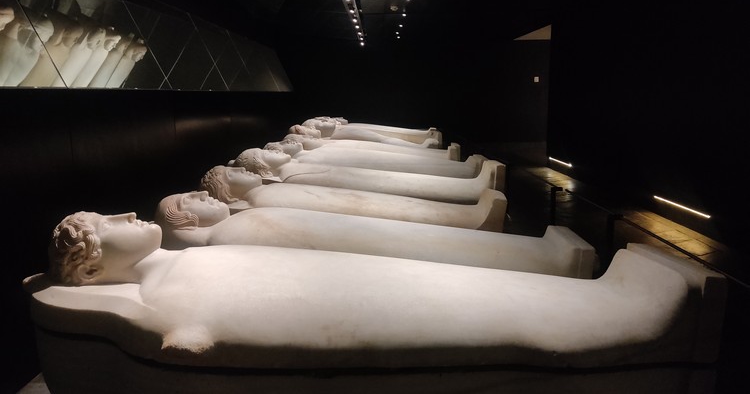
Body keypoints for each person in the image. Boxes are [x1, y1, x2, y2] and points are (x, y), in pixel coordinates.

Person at [32, 210, 722, 372]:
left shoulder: (183, 270)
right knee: (463, 310)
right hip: (336, 310)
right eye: (107, 223)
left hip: (346, 293)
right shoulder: (166, 300)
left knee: (456, 288)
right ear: (90, 269)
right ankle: (627, 322)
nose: (126, 214)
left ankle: (613, 311)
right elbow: (203, 338)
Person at [153, 190, 594, 278]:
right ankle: (543, 261)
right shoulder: (227, 236)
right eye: (193, 200)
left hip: (350, 236)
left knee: (408, 235)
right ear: (183, 221)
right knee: (421, 249)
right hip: (352, 251)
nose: (205, 196)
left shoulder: (238, 222)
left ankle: (538, 257)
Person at [198, 165, 506, 231]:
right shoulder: (261, 200)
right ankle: (470, 212)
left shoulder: (265, 193)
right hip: (348, 211)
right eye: (233, 173)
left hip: (347, 200)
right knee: (396, 208)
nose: (242, 170)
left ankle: (468, 197)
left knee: (392, 191)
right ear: (229, 192)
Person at [229, 147, 504, 202]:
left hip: (353, 178)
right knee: (401, 180)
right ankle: (468, 185)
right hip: (353, 186)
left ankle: (464, 175)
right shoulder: (286, 180)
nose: (274, 149)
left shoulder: (294, 168)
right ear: (264, 169)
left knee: (400, 170)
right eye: (265, 153)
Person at [263, 139, 484, 178]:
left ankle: (451, 164)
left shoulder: (313, 154)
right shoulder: (305, 163)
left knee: (391, 155)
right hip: (357, 170)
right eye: (272, 151)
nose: (282, 147)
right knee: (395, 165)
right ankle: (461, 172)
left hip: (355, 161)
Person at [282, 132, 461, 161]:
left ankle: (422, 148)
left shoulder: (326, 141)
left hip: (355, 149)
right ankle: (424, 150)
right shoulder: (310, 155)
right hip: (355, 153)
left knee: (386, 143)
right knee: (387, 147)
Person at [303, 116, 443, 146]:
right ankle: (420, 147)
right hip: (343, 132)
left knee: (388, 132)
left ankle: (421, 136)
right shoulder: (334, 134)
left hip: (346, 128)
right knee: (384, 139)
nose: (325, 120)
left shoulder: (339, 126)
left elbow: (344, 120)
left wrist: (333, 120)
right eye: (321, 122)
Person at [289, 123, 440, 149]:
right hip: (340, 133)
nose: (311, 128)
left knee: (385, 135)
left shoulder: (334, 132)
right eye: (306, 129)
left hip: (341, 131)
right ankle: (420, 147)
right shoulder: (329, 138)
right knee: (384, 139)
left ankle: (420, 142)